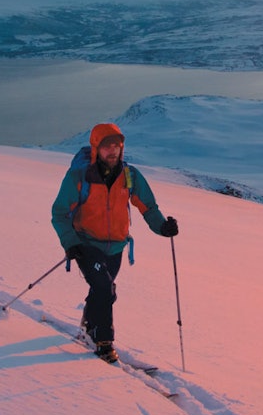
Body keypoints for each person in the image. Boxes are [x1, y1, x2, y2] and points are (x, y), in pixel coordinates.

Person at [51, 122, 179, 363]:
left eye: (117, 147)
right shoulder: (79, 176)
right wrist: (71, 243)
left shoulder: (129, 176)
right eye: (107, 147)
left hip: (116, 247)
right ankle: (103, 341)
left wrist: (163, 227)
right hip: (86, 244)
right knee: (105, 289)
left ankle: (89, 323)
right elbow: (59, 212)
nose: (113, 151)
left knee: (101, 288)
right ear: (96, 148)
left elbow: (148, 207)